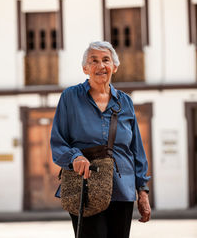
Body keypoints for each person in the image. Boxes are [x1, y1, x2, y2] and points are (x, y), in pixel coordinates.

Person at [50, 41, 151, 238]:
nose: (101, 65)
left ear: (115, 66)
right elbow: (58, 142)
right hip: (84, 187)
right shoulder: (70, 98)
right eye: (93, 61)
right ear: (85, 68)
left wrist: (143, 191)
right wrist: (74, 157)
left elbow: (136, 149)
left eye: (106, 60)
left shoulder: (125, 102)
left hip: (122, 190)